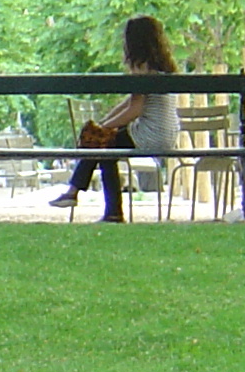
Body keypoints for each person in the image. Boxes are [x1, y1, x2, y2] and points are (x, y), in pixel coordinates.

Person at [51, 14, 181, 222]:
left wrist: (104, 128)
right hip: (168, 132)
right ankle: (76, 193)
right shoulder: (162, 66)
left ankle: (105, 208)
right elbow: (130, 102)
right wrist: (104, 124)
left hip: (149, 133)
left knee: (104, 146)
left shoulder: (142, 66)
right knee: (103, 143)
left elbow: (135, 109)